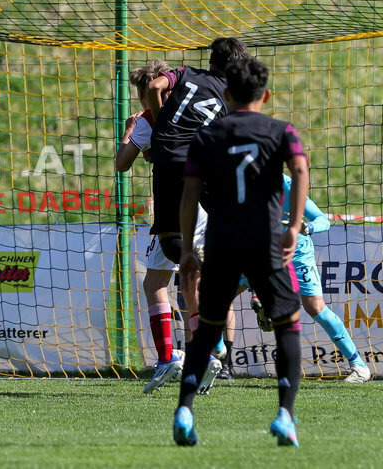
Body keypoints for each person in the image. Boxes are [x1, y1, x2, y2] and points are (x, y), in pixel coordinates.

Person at [172, 57, 308, 447]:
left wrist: (185, 249)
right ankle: (284, 415)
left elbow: (189, 195)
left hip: (221, 244)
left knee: (207, 327)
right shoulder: (282, 131)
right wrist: (294, 227)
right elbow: (300, 170)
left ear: (227, 95)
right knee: (288, 323)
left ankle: (185, 407)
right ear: (266, 95)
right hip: (265, 242)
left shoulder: (205, 136)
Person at [145, 39, 249, 390]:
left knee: (176, 251)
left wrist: (161, 125)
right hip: (201, 165)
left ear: (210, 60)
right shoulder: (232, 98)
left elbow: (154, 85)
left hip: (170, 161)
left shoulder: (185, 73)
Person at [116, 61, 221, 394]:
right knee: (193, 280)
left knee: (155, 282)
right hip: (204, 204)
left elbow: (122, 164)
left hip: (172, 209)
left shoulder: (148, 121)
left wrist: (129, 132)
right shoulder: (194, 116)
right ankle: (205, 351)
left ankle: (167, 358)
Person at [229, 174, 371, 383]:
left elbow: (323, 220)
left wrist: (307, 227)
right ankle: (217, 356)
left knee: (315, 307)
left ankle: (359, 365)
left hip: (297, 251)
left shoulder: (288, 187)